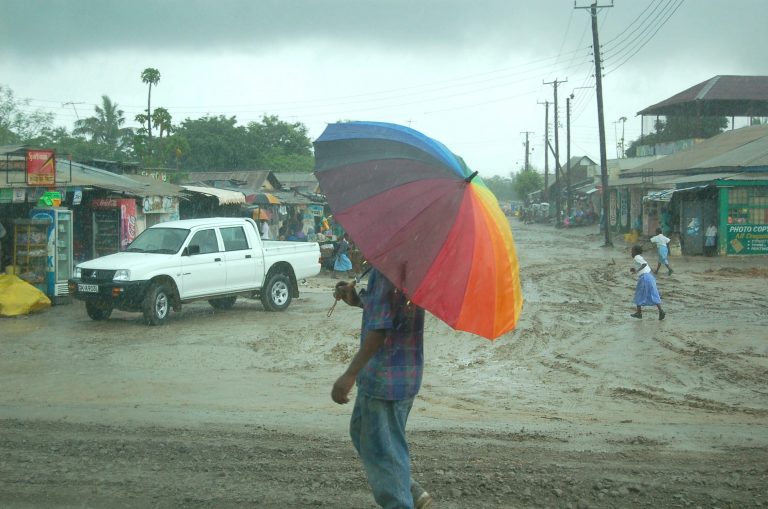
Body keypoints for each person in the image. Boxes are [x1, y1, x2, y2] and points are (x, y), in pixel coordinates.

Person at [332, 269, 432, 509]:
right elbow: (391, 311)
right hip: (404, 375)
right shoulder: (412, 267)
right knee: (362, 432)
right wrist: (357, 300)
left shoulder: (387, 271)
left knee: (383, 449)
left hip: (384, 379)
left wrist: (349, 374)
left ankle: (401, 497)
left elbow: (380, 330)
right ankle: (407, 488)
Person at [629, 244, 666, 320]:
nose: (631, 252)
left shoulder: (637, 257)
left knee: (639, 294)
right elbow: (643, 266)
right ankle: (661, 311)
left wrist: (636, 271)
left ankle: (639, 313)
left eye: (632, 250)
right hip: (649, 277)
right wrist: (635, 269)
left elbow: (644, 264)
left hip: (644, 278)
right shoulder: (639, 257)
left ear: (635, 251)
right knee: (653, 294)